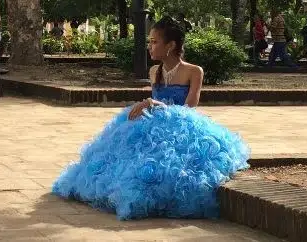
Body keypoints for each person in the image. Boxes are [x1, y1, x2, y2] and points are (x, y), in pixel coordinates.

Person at [52, 17, 249, 219]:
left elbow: (189, 107)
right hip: (153, 126)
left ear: (171, 45)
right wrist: (148, 105)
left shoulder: (194, 71)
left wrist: (155, 104)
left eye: (154, 42)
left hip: (182, 129)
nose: (149, 46)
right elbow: (153, 101)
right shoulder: (155, 71)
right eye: (149, 41)